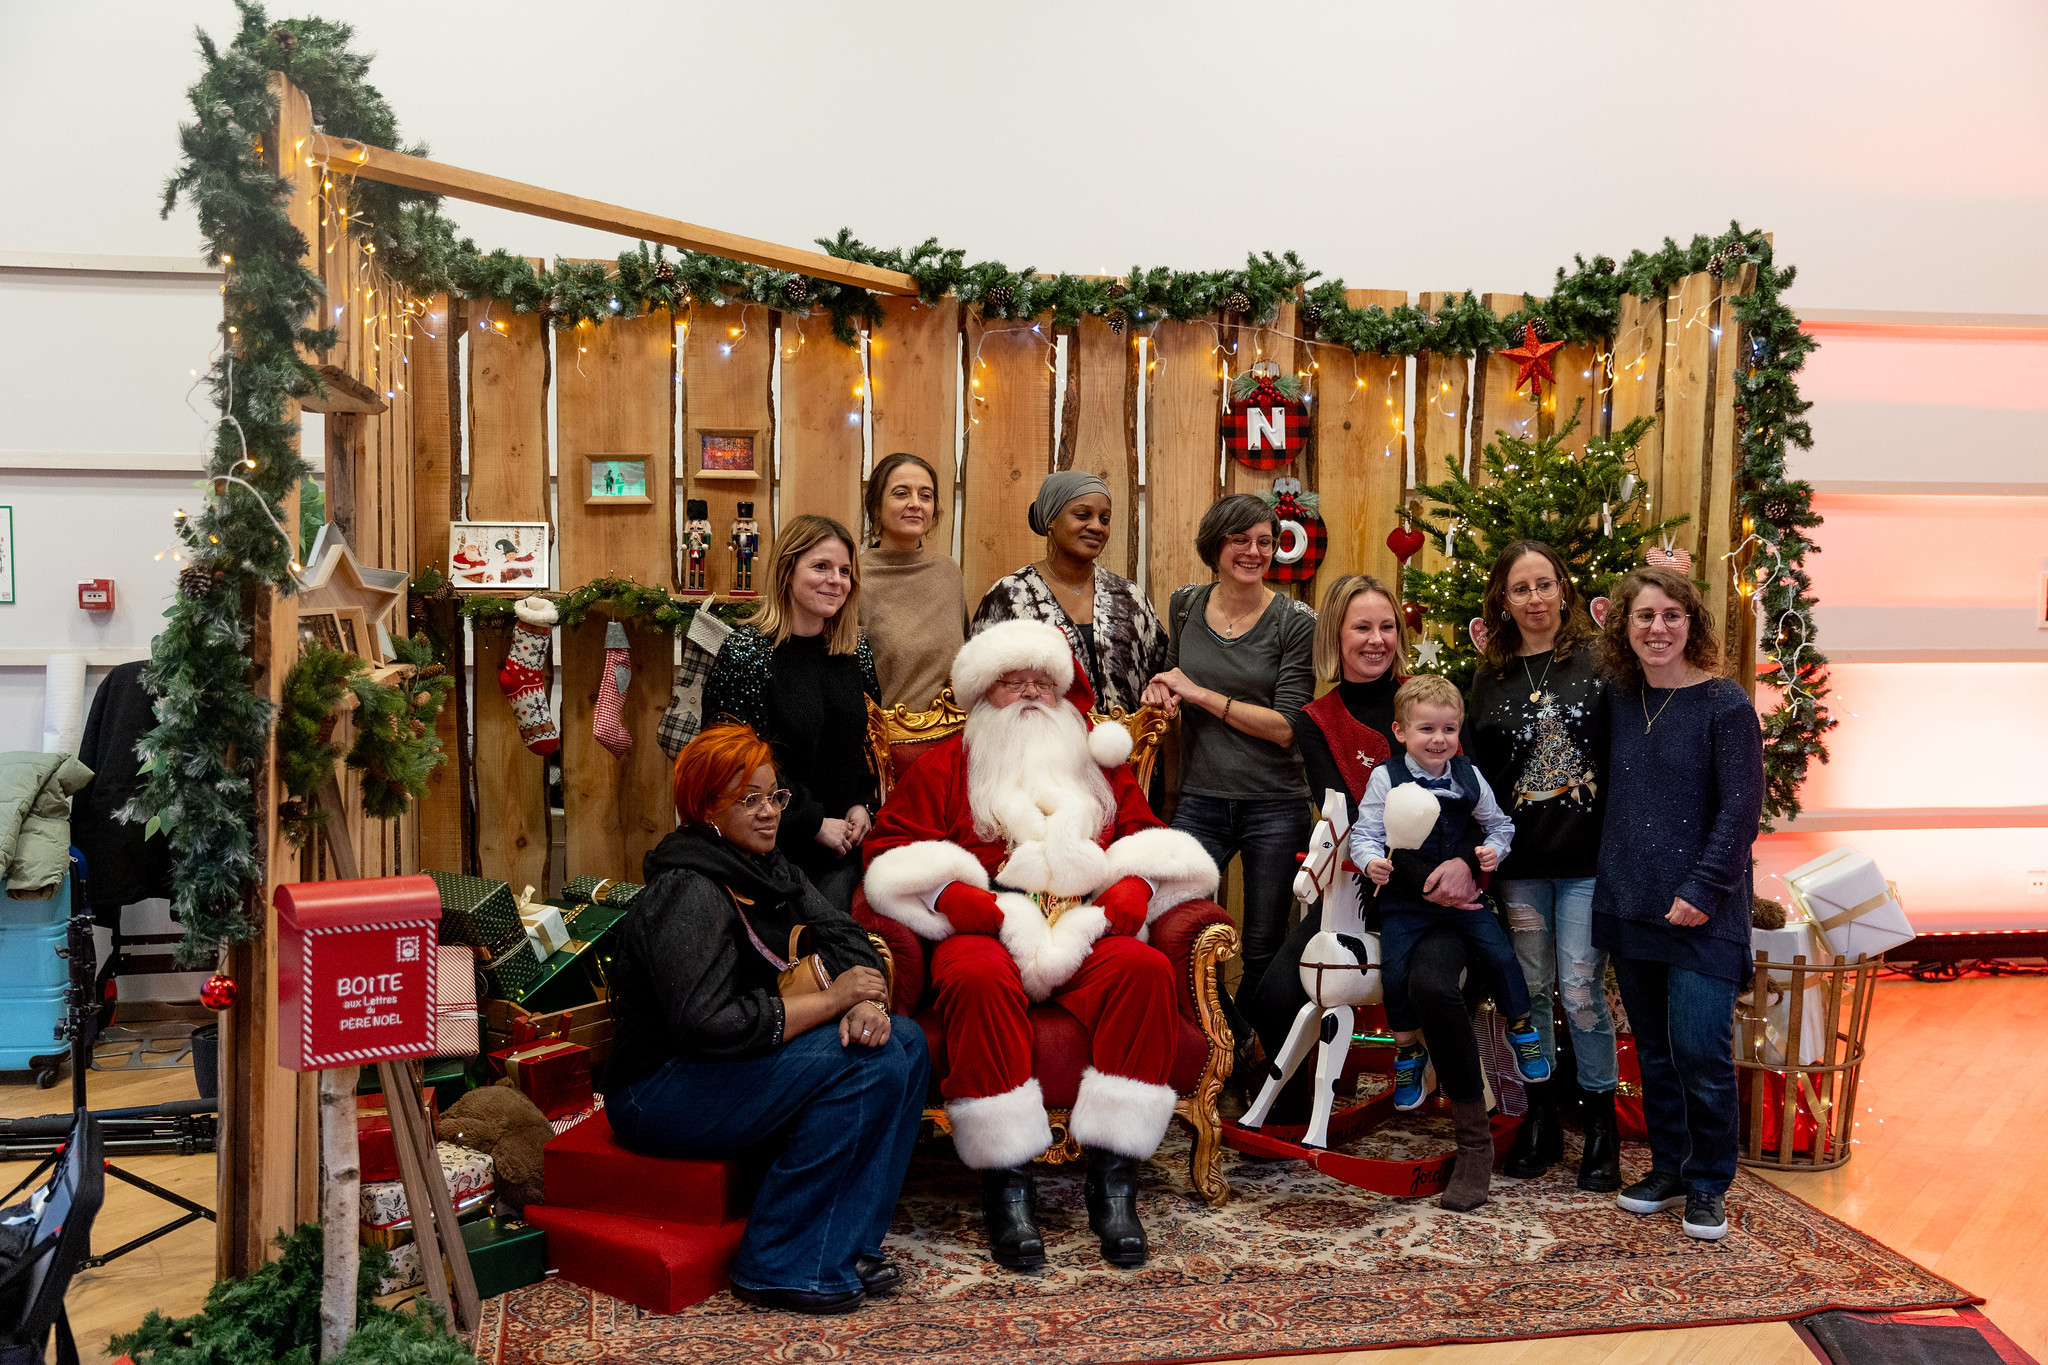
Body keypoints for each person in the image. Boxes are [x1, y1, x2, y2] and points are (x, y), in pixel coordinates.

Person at [862, 620, 1218, 1271]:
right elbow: (887, 850)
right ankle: (1008, 1184)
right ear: (980, 694)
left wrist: (1135, 881)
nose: (1029, 694)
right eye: (1010, 682)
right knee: (972, 977)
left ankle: (1114, 1181)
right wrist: (949, 895)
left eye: (1041, 682)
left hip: (1086, 925)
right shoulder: (948, 763)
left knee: (1142, 967)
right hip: (986, 925)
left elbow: (1144, 832)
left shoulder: (1095, 764)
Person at [600, 724, 926, 1315]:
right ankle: (779, 1262)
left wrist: (861, 1002)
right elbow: (706, 1022)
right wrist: (831, 1002)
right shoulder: (689, 889)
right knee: (870, 1063)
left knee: (904, 1040)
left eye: (775, 796)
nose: (769, 812)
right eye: (748, 799)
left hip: (727, 1064)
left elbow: (847, 937)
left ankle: (845, 1245)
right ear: (706, 808)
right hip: (661, 1088)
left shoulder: (772, 869)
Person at [1594, 565, 1763, 1242]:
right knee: (1656, 1052)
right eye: (1644, 616)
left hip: (1704, 909)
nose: (1658, 627)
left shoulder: (1726, 705)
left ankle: (1708, 1182)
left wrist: (1701, 890)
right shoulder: (1616, 699)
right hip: (1630, 903)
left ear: (1692, 623)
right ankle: (1667, 1168)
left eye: (1671, 614)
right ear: (1624, 627)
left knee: (1700, 1047)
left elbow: (1741, 813)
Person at [1464, 539, 1620, 1190]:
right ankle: (1541, 1116)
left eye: (1545, 585)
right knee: (1527, 994)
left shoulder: (1598, 659)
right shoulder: (1490, 673)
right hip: (1520, 864)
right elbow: (1476, 770)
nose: (1535, 599)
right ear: (1503, 599)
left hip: (1586, 861)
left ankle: (1602, 1122)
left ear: (1564, 590)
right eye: (1521, 588)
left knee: (1581, 990)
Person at [1349, 676, 1549, 1125]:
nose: (1439, 740)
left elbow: (1500, 825)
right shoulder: (1387, 777)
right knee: (1396, 970)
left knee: (1500, 953)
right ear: (1400, 731)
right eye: (1426, 729)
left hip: (1465, 897)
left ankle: (1521, 1028)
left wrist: (1491, 853)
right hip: (1405, 902)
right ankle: (1408, 1052)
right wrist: (1369, 862)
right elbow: (1366, 834)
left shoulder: (1467, 775)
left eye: (1449, 729)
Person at [1143, 494, 1316, 1010]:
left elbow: (1286, 727)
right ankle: (1221, 1043)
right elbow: (1175, 677)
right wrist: (1163, 693)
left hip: (1275, 804)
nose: (1254, 552)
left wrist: (1198, 694)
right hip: (1200, 799)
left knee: (1264, 945)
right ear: (1216, 546)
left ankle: (1260, 1069)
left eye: (1265, 542)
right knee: (1184, 933)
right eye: (1240, 540)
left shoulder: (1293, 621)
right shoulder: (1186, 604)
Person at [702, 515, 880, 911]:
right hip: (766, 845)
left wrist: (862, 803)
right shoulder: (747, 653)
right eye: (821, 567)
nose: (836, 580)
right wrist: (812, 822)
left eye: (845, 571)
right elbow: (733, 763)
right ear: (787, 571)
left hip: (842, 842)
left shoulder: (854, 652)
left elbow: (865, 743)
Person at [971, 471, 1166, 714]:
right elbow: (981, 685)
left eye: (1104, 519)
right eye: (1083, 515)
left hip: (1127, 746)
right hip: (1038, 747)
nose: (1096, 526)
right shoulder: (1010, 595)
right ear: (1051, 519)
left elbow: (1160, 674)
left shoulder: (1129, 597)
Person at [858, 452, 968, 710]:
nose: (916, 504)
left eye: (926, 495)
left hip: (953, 737)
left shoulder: (948, 573)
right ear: (875, 506)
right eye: (901, 493)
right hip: (886, 741)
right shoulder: (855, 578)